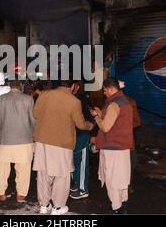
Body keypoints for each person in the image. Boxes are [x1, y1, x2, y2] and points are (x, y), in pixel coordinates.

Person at [33, 79, 94, 215]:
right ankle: (58, 207)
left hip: (42, 141)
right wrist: (90, 125)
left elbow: (36, 114)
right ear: (73, 86)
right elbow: (80, 124)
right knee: (62, 175)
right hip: (62, 143)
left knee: (43, 173)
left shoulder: (44, 95)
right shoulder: (74, 101)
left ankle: (44, 205)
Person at [90, 77, 134, 214]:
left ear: (110, 89)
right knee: (121, 178)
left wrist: (97, 117)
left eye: (104, 90)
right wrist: (101, 113)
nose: (104, 93)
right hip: (122, 146)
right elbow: (116, 120)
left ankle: (116, 207)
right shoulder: (124, 101)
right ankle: (122, 203)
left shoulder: (114, 104)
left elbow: (106, 126)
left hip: (113, 148)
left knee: (112, 179)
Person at [0, 80, 35, 203]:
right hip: (24, 139)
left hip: (6, 139)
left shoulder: (0, 99)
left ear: (9, 87)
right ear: (20, 86)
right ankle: (21, 194)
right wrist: (33, 134)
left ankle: (0, 193)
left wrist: (0, 131)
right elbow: (33, 120)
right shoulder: (28, 99)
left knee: (2, 167)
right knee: (23, 168)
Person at [70, 81, 94, 200]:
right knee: (73, 162)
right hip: (71, 136)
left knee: (82, 163)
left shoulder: (83, 99)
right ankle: (76, 183)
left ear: (77, 87)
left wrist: (93, 134)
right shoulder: (68, 99)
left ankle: (83, 189)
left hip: (82, 135)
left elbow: (90, 118)